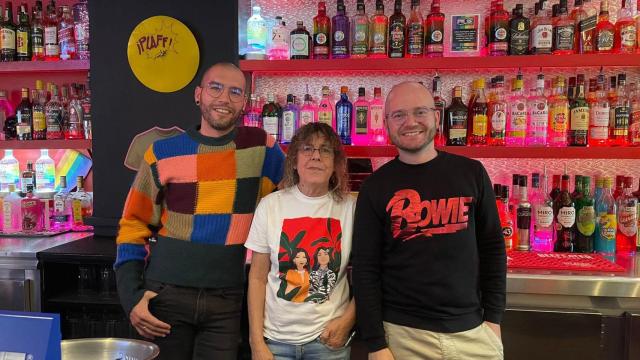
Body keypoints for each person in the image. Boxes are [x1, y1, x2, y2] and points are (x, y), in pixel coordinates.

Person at [114, 62, 285, 360]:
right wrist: (131, 297)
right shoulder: (163, 152)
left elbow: (296, 195)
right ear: (198, 95)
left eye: (235, 92)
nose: (224, 98)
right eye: (215, 88)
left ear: (244, 103)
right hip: (165, 294)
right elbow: (133, 224)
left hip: (227, 298)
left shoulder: (262, 147)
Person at [352, 81, 507, 360]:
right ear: (386, 123)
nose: (410, 122)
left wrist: (493, 319)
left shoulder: (471, 173)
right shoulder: (374, 187)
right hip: (402, 335)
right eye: (398, 115)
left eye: (419, 112)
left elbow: (493, 248)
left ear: (436, 117)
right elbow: (365, 270)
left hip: (471, 334)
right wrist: (376, 344)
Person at [245, 123, 356, 360]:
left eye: (325, 150)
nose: (316, 156)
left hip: (328, 341)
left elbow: (371, 274)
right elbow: (256, 277)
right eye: (307, 149)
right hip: (275, 342)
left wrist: (348, 320)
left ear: (336, 164)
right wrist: (256, 342)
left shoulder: (351, 209)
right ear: (294, 160)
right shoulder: (270, 205)